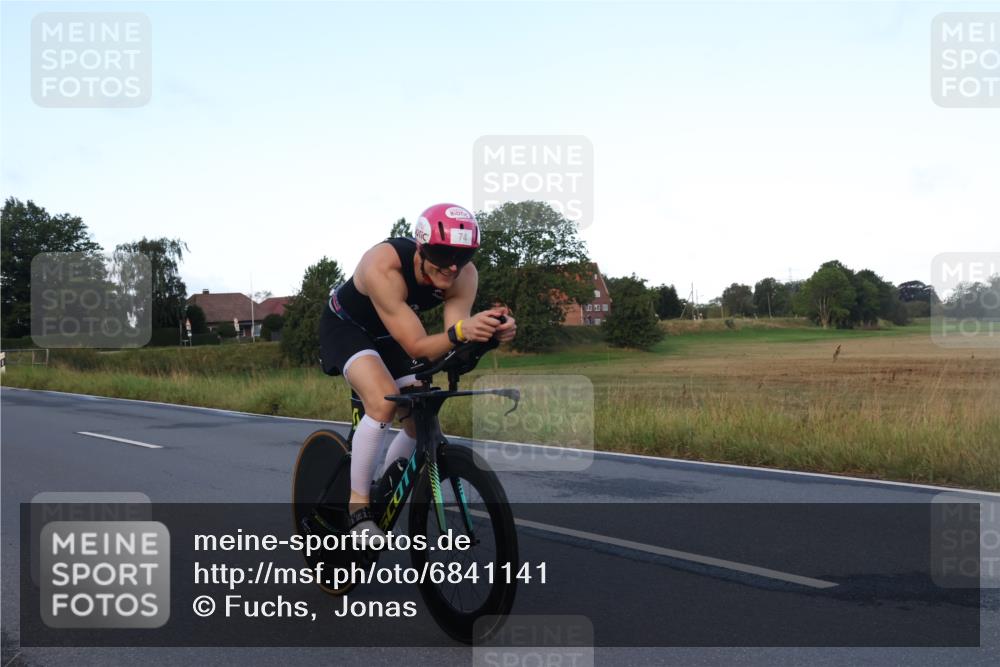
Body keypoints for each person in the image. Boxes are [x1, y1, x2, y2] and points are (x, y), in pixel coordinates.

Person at [319, 203, 516, 541]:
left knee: (421, 413)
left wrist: (488, 334)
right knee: (382, 402)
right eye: (442, 254)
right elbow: (416, 345)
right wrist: (462, 332)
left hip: (390, 333)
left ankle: (384, 485)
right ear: (422, 247)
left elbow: (454, 339)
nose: (452, 266)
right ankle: (358, 505)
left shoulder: (463, 275)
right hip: (347, 328)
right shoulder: (383, 264)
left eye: (463, 256)